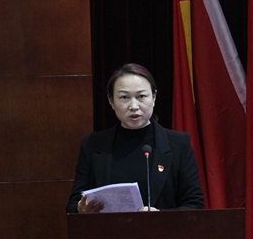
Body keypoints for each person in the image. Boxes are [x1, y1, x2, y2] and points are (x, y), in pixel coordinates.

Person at [66, 63, 205, 213]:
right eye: (124, 97)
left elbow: (195, 205)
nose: (133, 106)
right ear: (111, 101)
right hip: (110, 228)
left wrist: (161, 217)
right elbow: (73, 205)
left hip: (161, 229)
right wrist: (81, 209)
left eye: (141, 96)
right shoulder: (93, 144)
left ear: (154, 97)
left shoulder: (179, 145)